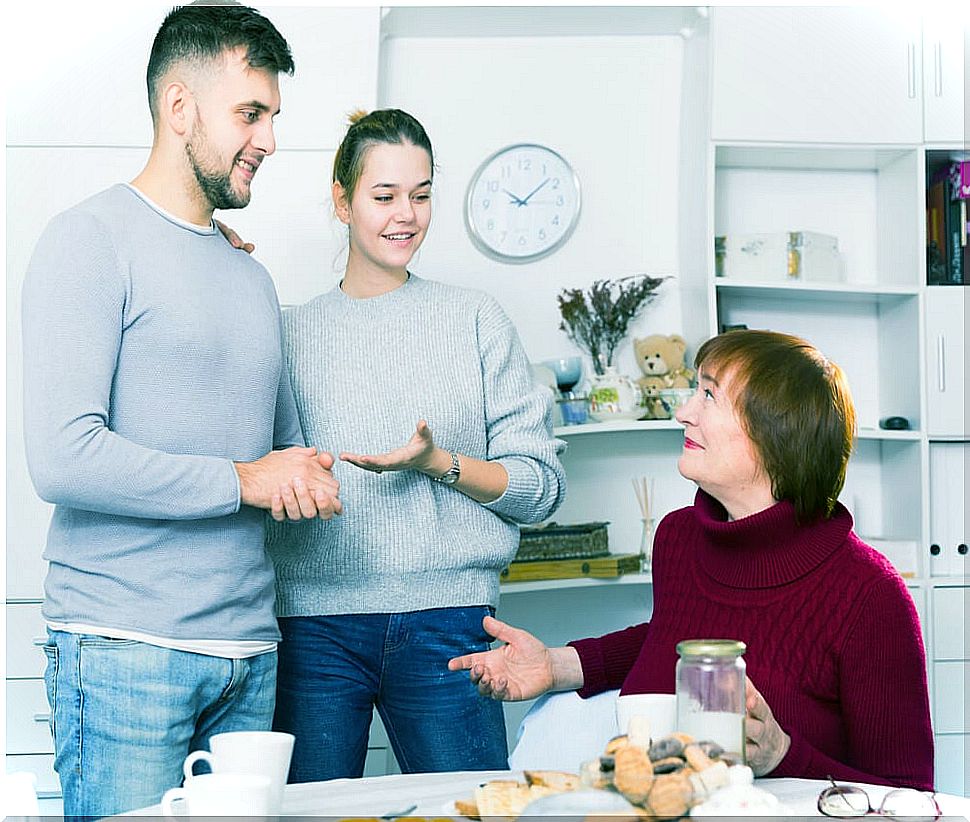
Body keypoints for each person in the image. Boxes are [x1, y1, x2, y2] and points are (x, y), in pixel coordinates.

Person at [21, 4, 341, 817]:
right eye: (250, 113)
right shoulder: (88, 239)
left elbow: (283, 453)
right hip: (127, 652)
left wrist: (311, 475)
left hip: (250, 655)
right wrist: (247, 479)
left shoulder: (250, 277)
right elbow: (63, 457)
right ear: (179, 107)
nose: (268, 139)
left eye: (272, 116)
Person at [450, 329, 934, 792]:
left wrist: (782, 757)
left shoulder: (870, 594)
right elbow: (674, 636)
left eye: (708, 395)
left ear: (777, 434)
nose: (684, 412)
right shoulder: (678, 538)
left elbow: (910, 795)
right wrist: (558, 666)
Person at [264, 108, 567, 781]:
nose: (407, 215)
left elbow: (541, 488)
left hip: (449, 619)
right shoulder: (286, 332)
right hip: (313, 625)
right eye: (384, 196)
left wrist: (440, 465)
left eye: (422, 194)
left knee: (468, 805)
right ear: (341, 200)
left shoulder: (475, 318)